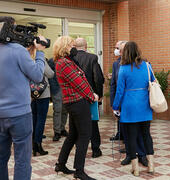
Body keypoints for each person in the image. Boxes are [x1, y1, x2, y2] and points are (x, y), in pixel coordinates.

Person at [0, 16, 46, 180]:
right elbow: (38, 75)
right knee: (22, 159)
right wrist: (39, 52)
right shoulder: (17, 51)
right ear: (10, 30)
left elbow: (10, 69)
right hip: (20, 114)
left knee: (0, 156)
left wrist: (27, 52)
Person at [53, 36, 99, 180]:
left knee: (73, 135)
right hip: (77, 103)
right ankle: (79, 171)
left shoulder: (67, 61)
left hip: (75, 103)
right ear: (65, 47)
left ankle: (61, 164)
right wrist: (92, 96)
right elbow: (79, 83)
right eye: (71, 45)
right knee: (85, 136)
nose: (74, 47)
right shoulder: (64, 63)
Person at [112, 41, 155, 176]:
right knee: (146, 135)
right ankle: (151, 166)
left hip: (129, 105)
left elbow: (119, 91)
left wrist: (115, 107)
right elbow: (153, 81)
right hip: (144, 105)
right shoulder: (147, 66)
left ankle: (135, 169)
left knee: (131, 137)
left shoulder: (123, 68)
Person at [74, 37, 105, 158]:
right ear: (86, 46)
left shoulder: (70, 59)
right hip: (90, 95)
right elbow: (98, 78)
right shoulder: (92, 58)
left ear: (75, 47)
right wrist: (99, 95)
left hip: (75, 96)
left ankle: (79, 148)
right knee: (93, 123)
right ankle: (96, 149)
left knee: (76, 123)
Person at [31, 57, 54, 156]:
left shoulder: (25, 58)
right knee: (41, 119)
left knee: (34, 119)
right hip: (42, 93)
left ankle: (32, 145)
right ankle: (38, 145)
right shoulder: (40, 59)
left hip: (31, 93)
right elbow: (50, 74)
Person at [48, 58, 69, 142]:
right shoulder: (52, 61)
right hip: (56, 89)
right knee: (57, 109)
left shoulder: (68, 60)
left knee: (65, 110)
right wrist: (53, 89)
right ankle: (57, 132)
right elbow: (50, 76)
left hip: (66, 88)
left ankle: (62, 128)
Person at [109, 41, 124, 142]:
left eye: (118, 48)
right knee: (119, 117)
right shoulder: (116, 64)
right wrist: (113, 101)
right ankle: (120, 134)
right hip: (118, 97)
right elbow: (113, 83)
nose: (116, 50)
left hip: (127, 98)